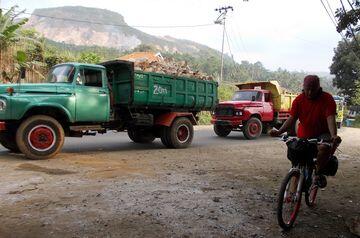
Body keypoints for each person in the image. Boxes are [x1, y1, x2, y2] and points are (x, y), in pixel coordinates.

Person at [270, 75, 341, 186]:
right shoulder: (299, 100)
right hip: (304, 134)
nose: (309, 92)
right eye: (307, 89)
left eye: (313, 90)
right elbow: (291, 119)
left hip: (323, 133)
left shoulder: (327, 99)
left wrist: (333, 135)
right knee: (296, 155)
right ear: (303, 87)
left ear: (319, 88)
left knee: (324, 148)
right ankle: (293, 185)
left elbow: (330, 118)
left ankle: (318, 173)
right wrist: (279, 132)